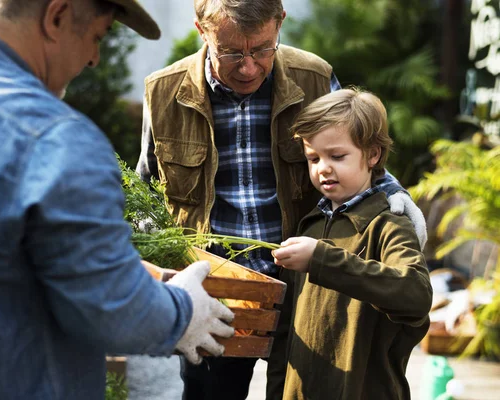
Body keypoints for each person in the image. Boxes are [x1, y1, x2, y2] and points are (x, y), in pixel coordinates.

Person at [0, 1, 236, 399]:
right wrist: (184, 311)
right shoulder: (50, 136)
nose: (94, 59)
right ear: (56, 15)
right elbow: (114, 312)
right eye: (97, 37)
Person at [136, 1, 428, 399]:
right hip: (222, 293)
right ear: (202, 31)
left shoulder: (315, 76)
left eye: (262, 49)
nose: (249, 67)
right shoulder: (163, 90)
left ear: (280, 25)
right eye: (232, 52)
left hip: (305, 286)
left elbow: (352, 143)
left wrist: (392, 190)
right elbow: (146, 186)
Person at [272, 88, 433, 399]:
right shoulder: (310, 226)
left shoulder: (389, 223)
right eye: (313, 158)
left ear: (372, 155)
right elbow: (285, 337)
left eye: (337, 156)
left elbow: (416, 294)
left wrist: (321, 259)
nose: (322, 168)